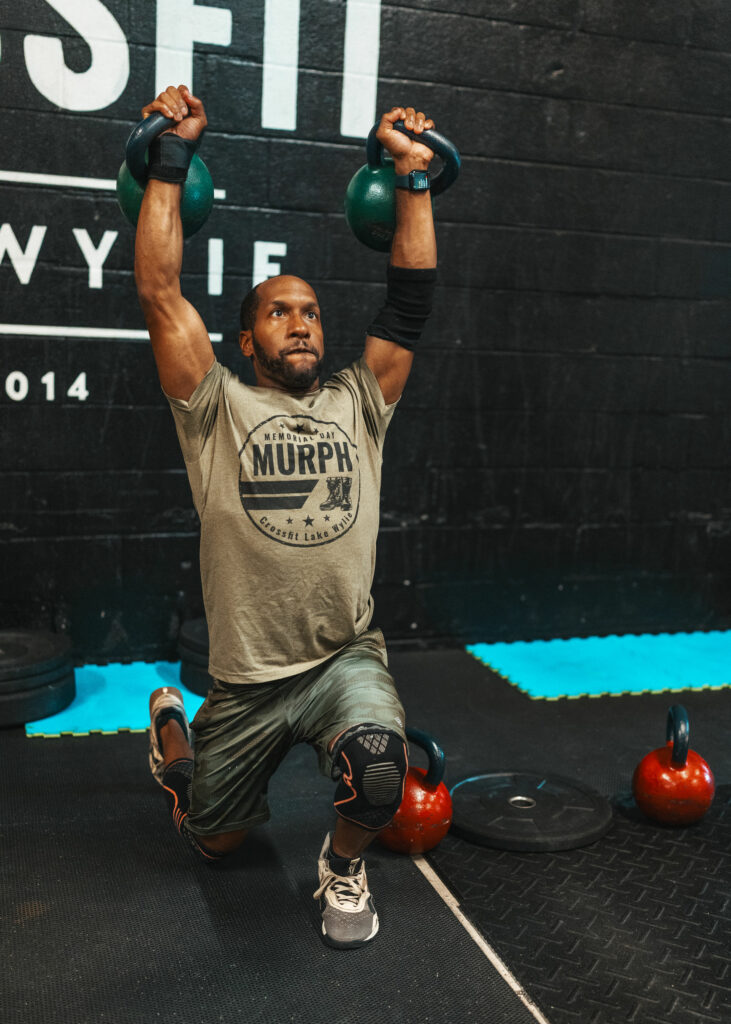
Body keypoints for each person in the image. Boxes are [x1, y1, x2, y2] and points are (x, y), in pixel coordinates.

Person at [136, 84, 438, 949]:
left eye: (310, 312)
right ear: (246, 339)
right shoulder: (213, 408)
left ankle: (340, 865)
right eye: (279, 312)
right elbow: (161, 293)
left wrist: (411, 175)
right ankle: (172, 734)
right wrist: (169, 155)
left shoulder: (360, 401)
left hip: (344, 654)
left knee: (380, 767)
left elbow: (410, 304)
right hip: (248, 681)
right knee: (217, 842)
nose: (301, 324)